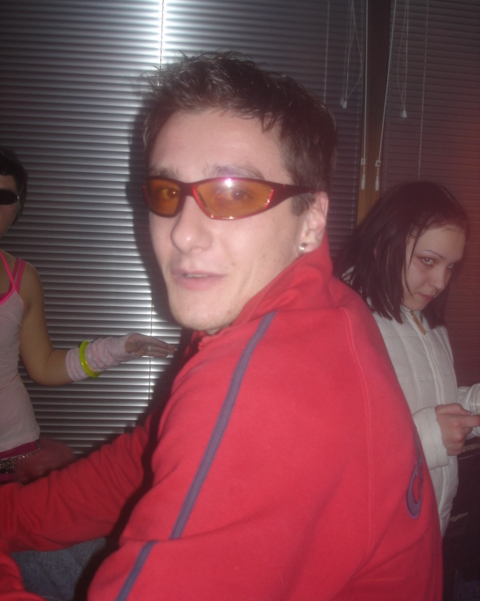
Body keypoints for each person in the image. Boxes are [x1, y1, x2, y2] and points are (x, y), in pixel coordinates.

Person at [0, 53, 442, 600]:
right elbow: (145, 455)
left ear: (310, 219)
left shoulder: (264, 389)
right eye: (167, 192)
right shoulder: (316, 305)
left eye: (234, 193)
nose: (183, 234)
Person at [0, 148, 175, 484]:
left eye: (4, 196)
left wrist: (118, 349)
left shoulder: (22, 279)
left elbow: (44, 365)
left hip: (14, 455)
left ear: (17, 208)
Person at [335, 180, 480, 537]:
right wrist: (430, 437)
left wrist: (473, 405)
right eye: (428, 261)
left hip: (428, 529)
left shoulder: (424, 319)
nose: (440, 282)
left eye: (450, 267)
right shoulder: (342, 321)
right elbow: (331, 453)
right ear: (383, 244)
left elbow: (430, 403)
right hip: (376, 539)